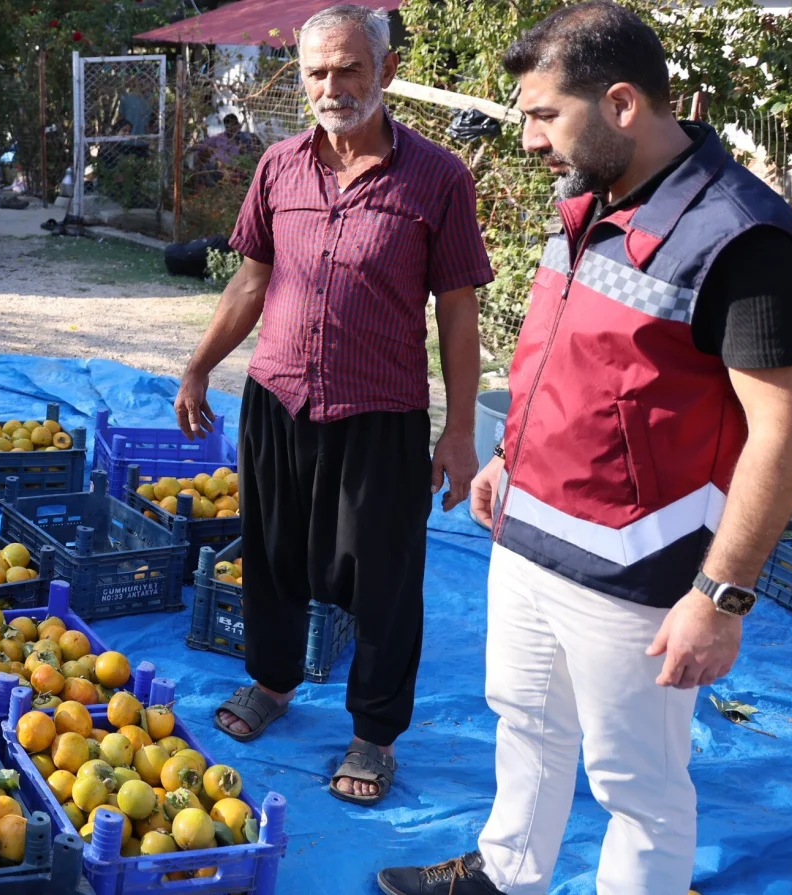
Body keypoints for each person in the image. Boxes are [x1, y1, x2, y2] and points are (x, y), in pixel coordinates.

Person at [378, 4, 792, 894]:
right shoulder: (587, 199)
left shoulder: (743, 237)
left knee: (636, 785)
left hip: (638, 576)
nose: (529, 139)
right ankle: (506, 869)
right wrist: (506, 456)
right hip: (528, 538)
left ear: (618, 105)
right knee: (524, 720)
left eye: (543, 116)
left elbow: (783, 434)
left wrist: (719, 597)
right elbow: (567, 357)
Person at [173, 4, 492, 805]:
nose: (332, 85)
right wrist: (199, 366)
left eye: (349, 68)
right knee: (273, 557)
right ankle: (274, 684)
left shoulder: (439, 178)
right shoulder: (279, 166)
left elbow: (458, 312)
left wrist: (458, 431)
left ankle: (373, 734)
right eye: (317, 71)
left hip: (378, 412)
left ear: (384, 71)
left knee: (384, 578)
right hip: (277, 398)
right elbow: (250, 279)